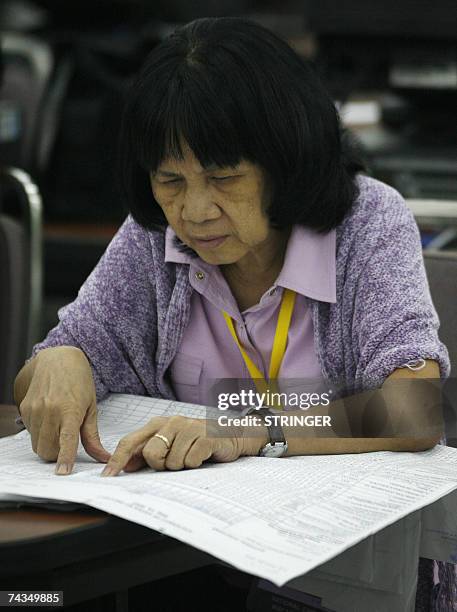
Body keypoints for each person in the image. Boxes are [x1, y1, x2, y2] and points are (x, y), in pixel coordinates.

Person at [13, 17, 451, 609]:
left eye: (223, 178)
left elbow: (415, 407)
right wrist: (59, 359)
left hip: (338, 574)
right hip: (178, 561)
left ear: (285, 162)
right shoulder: (154, 237)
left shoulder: (367, 224)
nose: (194, 211)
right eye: (170, 180)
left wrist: (255, 424)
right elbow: (55, 367)